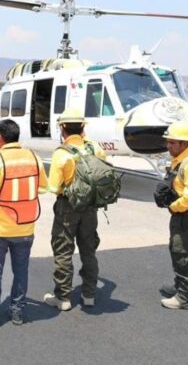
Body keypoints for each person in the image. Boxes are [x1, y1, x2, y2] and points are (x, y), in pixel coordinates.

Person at [0, 119, 48, 327]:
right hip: (26, 226)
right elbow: (42, 188)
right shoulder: (35, 158)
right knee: (21, 270)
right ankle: (17, 311)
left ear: (0, 138)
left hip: (0, 228)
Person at [43, 108, 107, 311]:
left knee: (63, 250)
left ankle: (62, 297)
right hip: (91, 207)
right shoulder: (95, 148)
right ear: (82, 127)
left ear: (62, 128)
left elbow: (53, 187)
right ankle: (89, 294)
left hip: (67, 207)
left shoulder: (61, 154)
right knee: (89, 249)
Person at [158, 121, 188, 310]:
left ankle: (185, 296)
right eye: (168, 142)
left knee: (187, 254)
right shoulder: (181, 160)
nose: (168, 146)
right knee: (178, 251)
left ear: (183, 143)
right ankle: (181, 286)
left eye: (172, 143)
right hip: (182, 215)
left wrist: (174, 207)